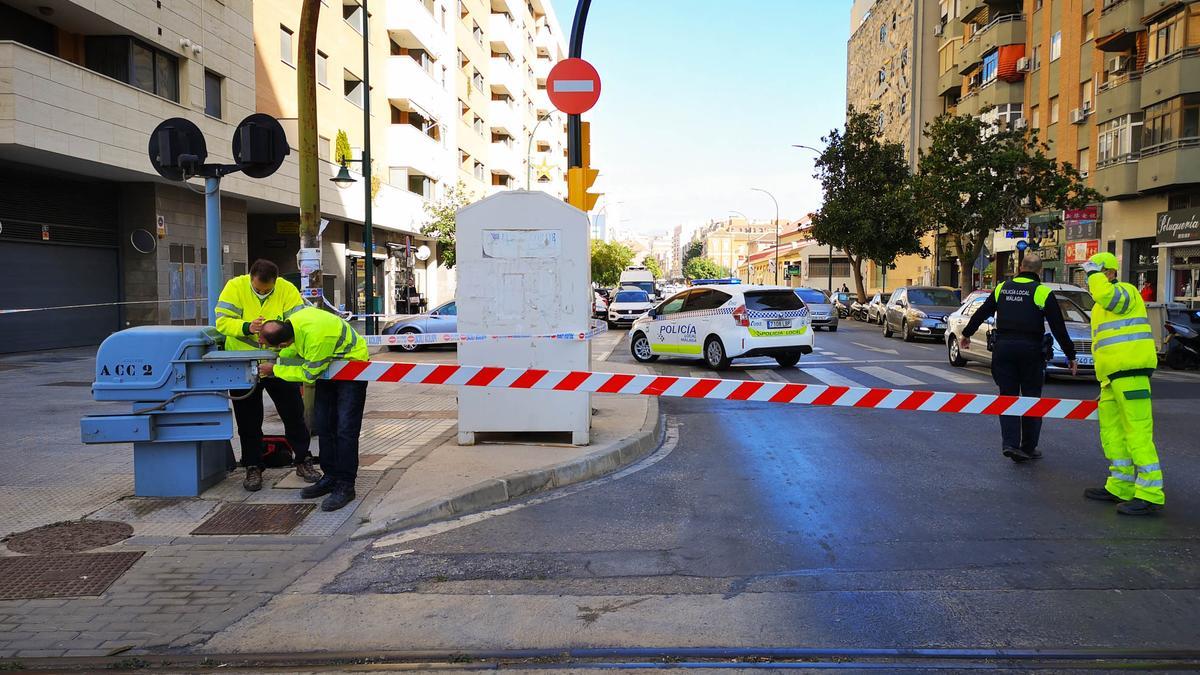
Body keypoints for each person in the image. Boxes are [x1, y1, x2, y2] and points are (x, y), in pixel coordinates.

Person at [214, 259, 321, 491]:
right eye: (259, 289)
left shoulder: (286, 289)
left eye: (267, 289)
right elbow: (222, 322)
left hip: (277, 362)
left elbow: (298, 323)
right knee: (248, 420)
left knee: (293, 414)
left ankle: (303, 460)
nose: (263, 292)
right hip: (243, 364)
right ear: (250, 277)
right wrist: (247, 327)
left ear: (276, 281)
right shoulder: (235, 287)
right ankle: (253, 466)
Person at [960, 254, 1077, 462]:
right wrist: (1070, 355)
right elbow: (1059, 327)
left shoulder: (1002, 288)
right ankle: (1029, 446)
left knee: (1007, 397)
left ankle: (1010, 444)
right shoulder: (1042, 292)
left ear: (1021, 267)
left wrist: (966, 334)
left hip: (1003, 349)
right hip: (1031, 351)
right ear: (1039, 271)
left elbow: (981, 313)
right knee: (1031, 398)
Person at [259, 307, 369, 512]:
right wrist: (279, 355)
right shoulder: (294, 322)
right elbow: (294, 347)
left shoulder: (318, 339)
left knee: (345, 430)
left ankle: (346, 485)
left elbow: (308, 374)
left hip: (352, 369)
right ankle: (330, 477)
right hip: (328, 368)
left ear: (283, 339)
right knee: (325, 427)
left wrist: (275, 369)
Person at [1080, 252, 1163, 515]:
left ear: (1111, 273)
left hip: (1131, 373)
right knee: (1113, 434)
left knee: (1137, 432)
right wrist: (1103, 383)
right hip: (1112, 378)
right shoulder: (1099, 307)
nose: (1089, 279)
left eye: (1095, 272)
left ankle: (1150, 493)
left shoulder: (1125, 292)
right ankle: (1121, 485)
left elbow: (1107, 296)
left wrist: (1094, 275)